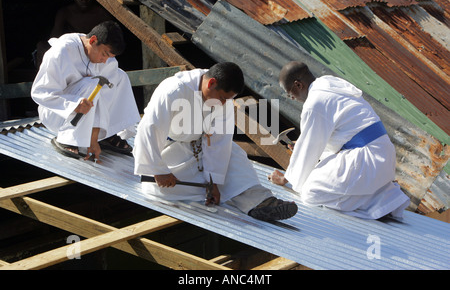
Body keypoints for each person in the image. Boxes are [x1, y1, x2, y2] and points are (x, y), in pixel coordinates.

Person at [133, 62, 298, 221]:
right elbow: (149, 129)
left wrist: (214, 182)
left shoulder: (221, 100)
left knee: (234, 156)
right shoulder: (174, 90)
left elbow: (220, 140)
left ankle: (260, 202)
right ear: (211, 83)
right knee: (156, 188)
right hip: (169, 148)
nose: (224, 103)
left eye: (228, 100)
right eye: (222, 98)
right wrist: (158, 170)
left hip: (199, 145)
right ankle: (232, 195)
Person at [269, 61, 410, 220]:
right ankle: (381, 191)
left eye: (290, 93)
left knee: (310, 191)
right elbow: (336, 137)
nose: (292, 98)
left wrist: (288, 178)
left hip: (368, 160)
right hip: (382, 155)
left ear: (298, 85)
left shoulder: (315, 102)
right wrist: (303, 147)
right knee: (321, 173)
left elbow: (310, 146)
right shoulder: (329, 84)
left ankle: (378, 203)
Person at [31, 21, 140, 162]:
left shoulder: (107, 62)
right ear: (93, 40)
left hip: (89, 115)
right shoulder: (62, 52)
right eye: (104, 54)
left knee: (120, 76)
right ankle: (67, 139)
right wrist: (73, 104)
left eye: (109, 57)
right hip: (57, 114)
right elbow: (40, 92)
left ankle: (106, 134)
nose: (104, 61)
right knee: (93, 83)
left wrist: (93, 139)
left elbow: (103, 101)